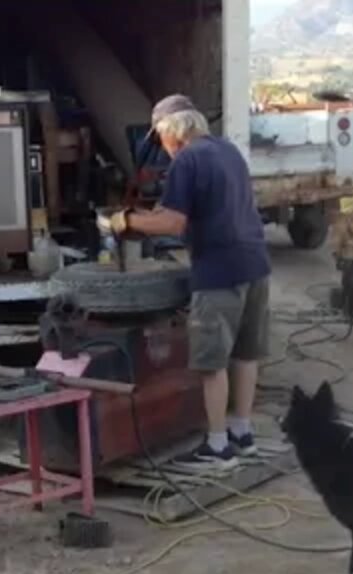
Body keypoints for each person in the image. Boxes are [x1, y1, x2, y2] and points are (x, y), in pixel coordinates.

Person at [99, 94, 271, 471]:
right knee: (245, 353)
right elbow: (201, 207)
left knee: (212, 362)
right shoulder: (227, 151)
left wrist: (124, 221)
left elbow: (172, 224)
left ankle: (217, 447)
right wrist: (153, 215)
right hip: (255, 265)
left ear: (171, 131)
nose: (161, 145)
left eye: (160, 137)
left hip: (219, 271)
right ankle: (242, 434)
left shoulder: (186, 161)